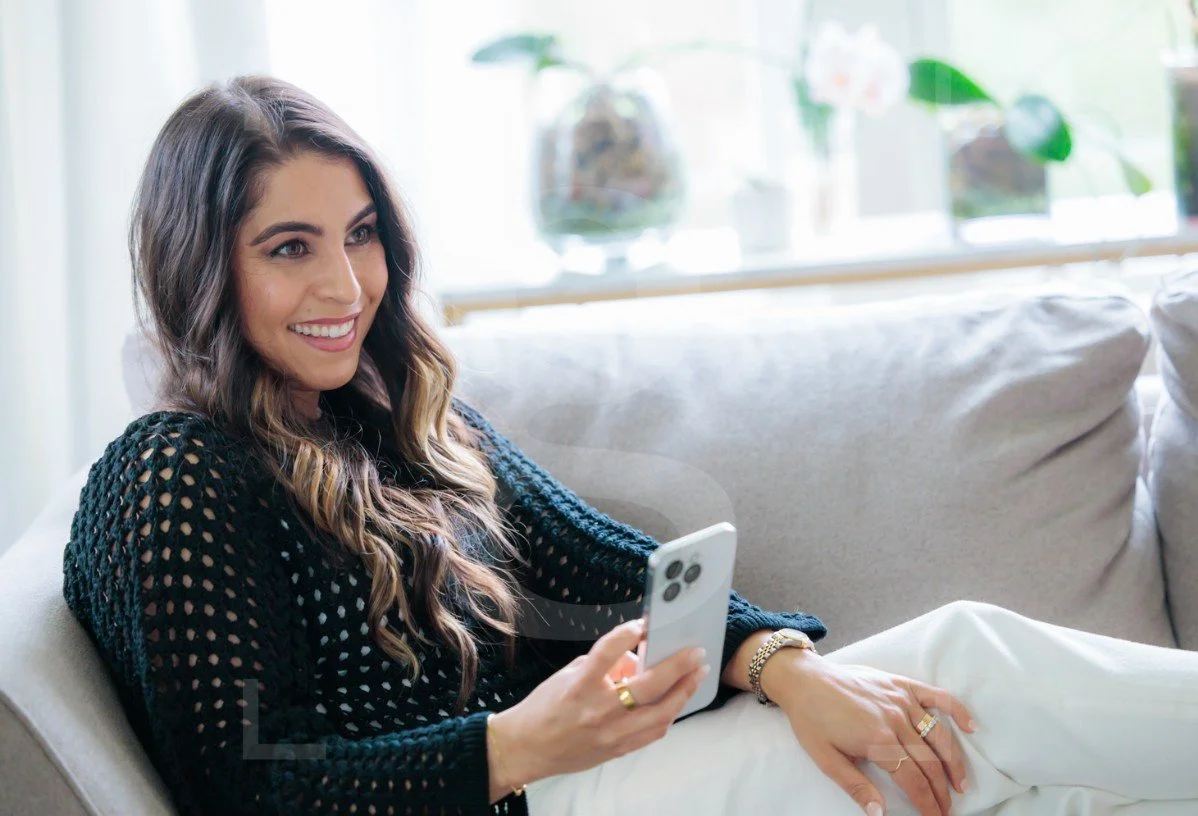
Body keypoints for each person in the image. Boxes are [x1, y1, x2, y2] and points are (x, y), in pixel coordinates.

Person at [60, 75, 1198, 816]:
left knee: (1051, 791)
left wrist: (781, 666)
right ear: (202, 265)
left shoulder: (391, 420)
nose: (346, 285)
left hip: (582, 779)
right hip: (535, 798)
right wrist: (513, 747)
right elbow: (243, 786)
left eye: (360, 235)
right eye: (289, 248)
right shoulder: (172, 471)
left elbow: (607, 563)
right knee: (968, 665)